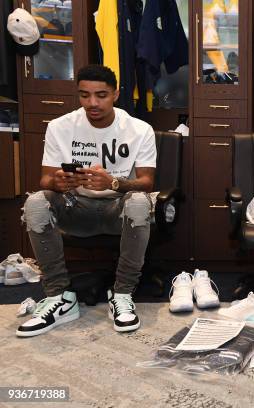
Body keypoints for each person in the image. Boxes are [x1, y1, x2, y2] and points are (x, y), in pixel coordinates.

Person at [18, 65, 157, 337]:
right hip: (75, 206)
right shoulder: (60, 127)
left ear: (116, 94)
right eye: (84, 95)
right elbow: (45, 179)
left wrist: (113, 183)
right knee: (35, 202)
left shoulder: (140, 129)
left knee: (140, 201)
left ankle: (122, 294)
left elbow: (147, 181)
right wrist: (57, 183)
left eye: (101, 95)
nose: (92, 103)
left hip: (117, 209)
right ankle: (59, 297)